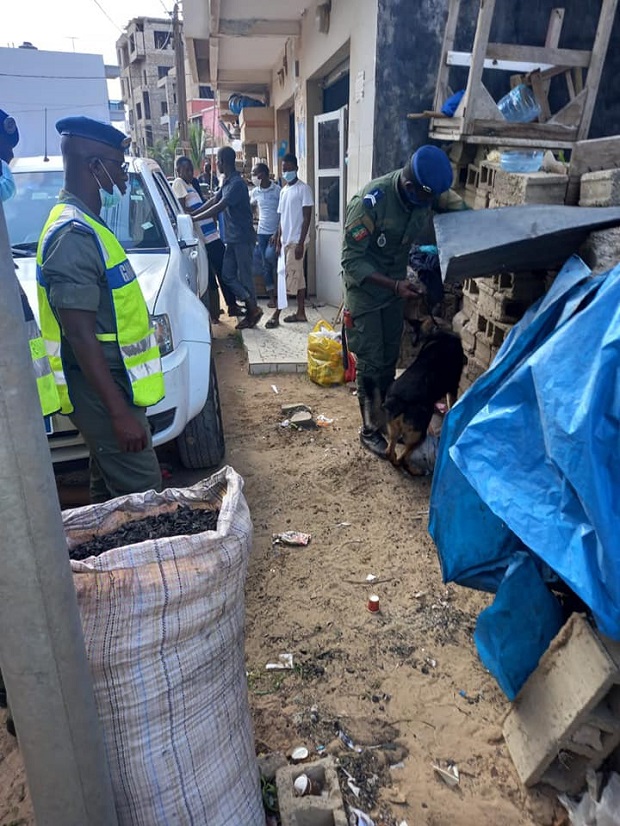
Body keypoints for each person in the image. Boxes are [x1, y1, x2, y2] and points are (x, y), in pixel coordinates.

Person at [37, 116, 165, 502]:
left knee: (109, 493)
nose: (124, 179)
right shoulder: (73, 235)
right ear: (94, 168)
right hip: (100, 388)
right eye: (118, 167)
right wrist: (118, 413)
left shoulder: (88, 226)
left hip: (111, 384)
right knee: (144, 496)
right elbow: (79, 335)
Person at [341, 144, 467, 458]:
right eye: (424, 199)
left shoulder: (428, 191)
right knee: (371, 362)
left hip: (395, 291)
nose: (428, 205)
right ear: (410, 187)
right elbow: (352, 261)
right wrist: (396, 285)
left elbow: (459, 208)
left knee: (389, 357)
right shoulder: (370, 204)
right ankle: (370, 429)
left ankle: (387, 417)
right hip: (367, 294)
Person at [190, 145, 262, 330]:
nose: (216, 165)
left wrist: (195, 218)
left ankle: (252, 311)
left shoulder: (237, 184)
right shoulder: (228, 181)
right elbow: (213, 200)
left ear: (223, 162)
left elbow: (220, 205)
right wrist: (190, 216)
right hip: (232, 238)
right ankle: (251, 305)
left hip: (242, 238)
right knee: (227, 275)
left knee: (245, 278)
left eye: (217, 161)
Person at [171, 155, 243, 321]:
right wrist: (197, 217)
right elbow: (183, 213)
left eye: (191, 170)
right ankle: (226, 307)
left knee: (218, 272)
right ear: (178, 171)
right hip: (205, 239)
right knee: (222, 272)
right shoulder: (179, 184)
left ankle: (223, 308)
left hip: (211, 235)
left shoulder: (190, 185)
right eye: (186, 170)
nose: (190, 173)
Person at [266, 154, 313, 328]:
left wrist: (301, 243)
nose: (286, 172)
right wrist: (278, 238)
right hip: (285, 241)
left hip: (297, 242)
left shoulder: (304, 189)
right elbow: (282, 217)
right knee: (298, 279)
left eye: (289, 168)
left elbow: (307, 217)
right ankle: (301, 313)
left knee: (287, 280)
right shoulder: (284, 190)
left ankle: (276, 314)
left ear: (296, 168)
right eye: (284, 169)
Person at [250, 162, 280, 308]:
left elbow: (283, 214)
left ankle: (280, 293)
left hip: (275, 234)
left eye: (255, 174)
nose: (253, 177)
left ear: (263, 174)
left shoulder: (278, 190)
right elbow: (249, 206)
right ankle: (272, 297)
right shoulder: (255, 192)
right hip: (261, 233)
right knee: (265, 266)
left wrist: (278, 233)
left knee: (271, 259)